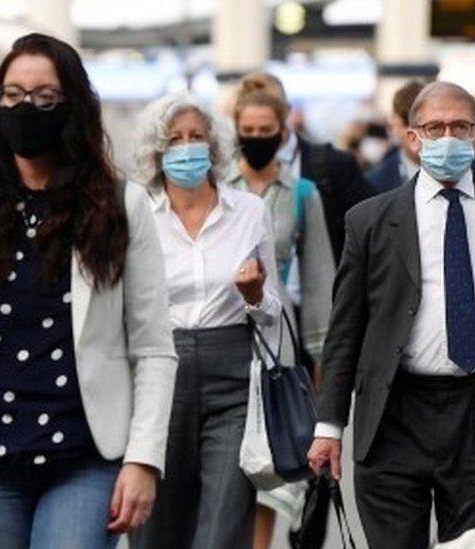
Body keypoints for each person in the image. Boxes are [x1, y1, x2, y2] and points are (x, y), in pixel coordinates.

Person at [0, 33, 178, 549]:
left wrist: (142, 460)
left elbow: (155, 347)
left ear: (73, 107)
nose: (27, 108)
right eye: (13, 95)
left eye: (46, 98)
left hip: (85, 456)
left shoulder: (120, 204)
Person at [308, 81, 475, 548]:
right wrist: (329, 427)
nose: (449, 138)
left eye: (461, 127)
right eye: (435, 127)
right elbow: (345, 331)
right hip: (394, 418)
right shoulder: (370, 220)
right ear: (412, 137)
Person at [128, 91, 281, 549]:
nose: (187, 147)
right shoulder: (136, 213)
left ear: (213, 146)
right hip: (159, 372)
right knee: (156, 524)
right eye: (175, 139)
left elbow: (273, 311)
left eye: (197, 136)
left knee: (225, 523)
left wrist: (254, 296)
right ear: (158, 151)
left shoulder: (249, 211)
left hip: (233, 372)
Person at [224, 74, 336, 549]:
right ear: (234, 129)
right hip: (224, 331)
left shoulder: (302, 193)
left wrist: (321, 366)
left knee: (272, 469)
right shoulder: (219, 186)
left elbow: (319, 281)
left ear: (283, 129)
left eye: (265, 128)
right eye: (247, 129)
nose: (255, 138)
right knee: (227, 463)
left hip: (279, 336)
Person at [244, 71, 375, 264]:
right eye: (249, 124)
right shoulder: (225, 175)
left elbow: (370, 230)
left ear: (286, 111)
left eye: (268, 109)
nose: (260, 122)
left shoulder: (334, 166)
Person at [367, 80, 426, 193]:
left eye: (427, 126)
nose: (416, 135)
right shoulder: (375, 182)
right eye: (407, 124)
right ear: (393, 123)